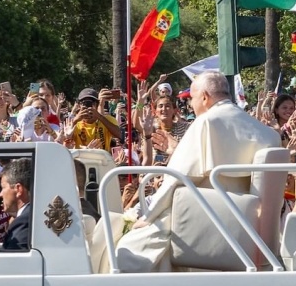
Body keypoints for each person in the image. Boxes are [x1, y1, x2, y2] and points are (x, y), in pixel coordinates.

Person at [113, 71, 280, 273]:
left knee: (127, 250)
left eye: (192, 98)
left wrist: (148, 217)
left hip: (205, 220)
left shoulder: (206, 122)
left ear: (204, 97)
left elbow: (176, 178)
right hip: (252, 226)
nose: (191, 104)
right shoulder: (267, 133)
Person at [1, 158, 32, 252]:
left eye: (3, 188)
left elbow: (13, 264)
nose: (0, 194)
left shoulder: (24, 222)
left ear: (18, 189)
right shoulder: (31, 215)